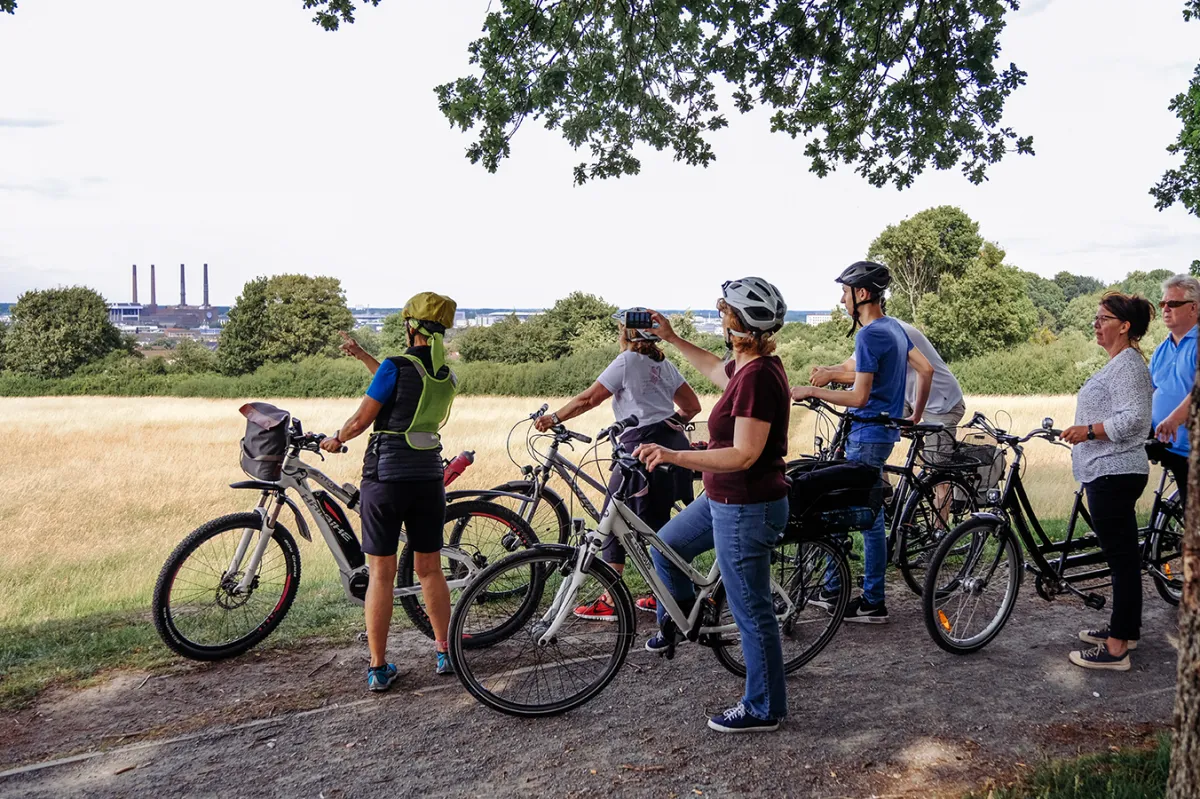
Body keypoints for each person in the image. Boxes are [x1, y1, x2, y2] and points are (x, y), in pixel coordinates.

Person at [633, 277, 790, 734]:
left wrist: (676, 455)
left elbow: (744, 454)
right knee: (667, 545)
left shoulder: (760, 376)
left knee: (751, 610)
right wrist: (673, 338)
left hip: (747, 505)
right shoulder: (747, 366)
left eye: (724, 312)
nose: (720, 316)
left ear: (738, 323)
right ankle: (689, 617)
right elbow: (715, 372)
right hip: (724, 496)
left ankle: (764, 708)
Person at [322, 292, 459, 691]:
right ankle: (445, 651)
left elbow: (364, 418)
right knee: (430, 569)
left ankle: (379, 666)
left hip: (385, 478)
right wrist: (365, 357)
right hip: (428, 477)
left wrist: (336, 438)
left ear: (410, 326)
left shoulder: (395, 367)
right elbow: (404, 381)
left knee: (381, 574)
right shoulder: (446, 376)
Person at [534, 307, 701, 620]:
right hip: (670, 444)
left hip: (640, 449)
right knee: (657, 524)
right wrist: (668, 423)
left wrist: (554, 417)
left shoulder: (626, 361)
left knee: (617, 518)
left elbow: (589, 398)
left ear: (627, 334)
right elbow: (692, 406)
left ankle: (620, 600)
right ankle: (665, 593)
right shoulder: (664, 364)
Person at [790, 261, 933, 623]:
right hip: (880, 431)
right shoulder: (894, 328)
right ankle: (836, 589)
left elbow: (859, 397)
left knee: (866, 517)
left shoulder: (869, 334)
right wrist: (913, 415)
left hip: (867, 434)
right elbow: (926, 369)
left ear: (862, 294)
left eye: (845, 292)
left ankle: (871, 601)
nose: (841, 300)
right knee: (857, 509)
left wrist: (813, 390)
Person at [1061, 292, 1154, 671]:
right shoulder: (1119, 364)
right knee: (1124, 559)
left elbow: (1135, 419)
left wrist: (1088, 431)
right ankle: (1125, 630)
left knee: (1122, 561)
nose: (1096, 324)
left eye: (1103, 318)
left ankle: (1117, 649)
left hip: (1114, 470)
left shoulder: (1128, 365)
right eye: (1095, 318)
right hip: (1108, 469)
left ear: (1125, 325)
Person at [810, 317, 965, 464]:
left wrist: (830, 376)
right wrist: (825, 370)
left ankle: (942, 487)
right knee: (873, 424)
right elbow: (848, 366)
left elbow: (872, 376)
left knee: (935, 466)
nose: (843, 301)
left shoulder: (888, 332)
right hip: (909, 397)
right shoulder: (874, 331)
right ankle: (882, 487)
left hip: (940, 402)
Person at [1149, 274, 1199, 504]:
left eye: (1173, 303)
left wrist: (1173, 419)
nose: (1166, 308)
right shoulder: (1161, 349)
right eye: (1163, 304)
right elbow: (1149, 391)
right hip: (1172, 450)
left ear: (1194, 308)